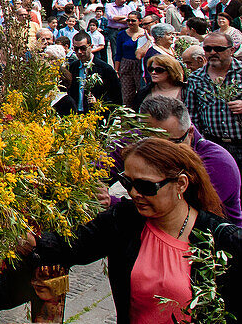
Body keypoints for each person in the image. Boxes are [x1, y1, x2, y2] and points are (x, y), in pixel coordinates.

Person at [14, 137, 242, 324]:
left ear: (181, 184)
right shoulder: (126, 219)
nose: (134, 193)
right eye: (127, 183)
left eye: (145, 186)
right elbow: (75, 244)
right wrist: (30, 240)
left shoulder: (222, 240)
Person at [139, 95, 242, 225]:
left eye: (173, 144)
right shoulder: (142, 140)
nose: (163, 153)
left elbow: (176, 212)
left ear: (191, 132)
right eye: (154, 145)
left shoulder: (217, 163)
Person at [185, 31, 242, 168]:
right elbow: (191, 114)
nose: (212, 52)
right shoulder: (196, 78)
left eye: (218, 49)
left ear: (232, 50)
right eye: (207, 49)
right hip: (214, 144)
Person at [61, 32, 122, 110]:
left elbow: (116, 96)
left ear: (91, 47)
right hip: (75, 114)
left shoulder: (105, 69)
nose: (79, 52)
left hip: (96, 114)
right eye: (76, 49)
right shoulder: (71, 68)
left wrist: (99, 103)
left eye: (83, 48)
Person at [114, 13, 146, 106]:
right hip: (126, 65)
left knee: (142, 92)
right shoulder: (122, 34)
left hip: (140, 65)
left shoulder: (145, 34)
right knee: (127, 94)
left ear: (140, 21)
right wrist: (116, 69)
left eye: (133, 20)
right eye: (128, 20)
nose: (130, 23)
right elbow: (118, 53)